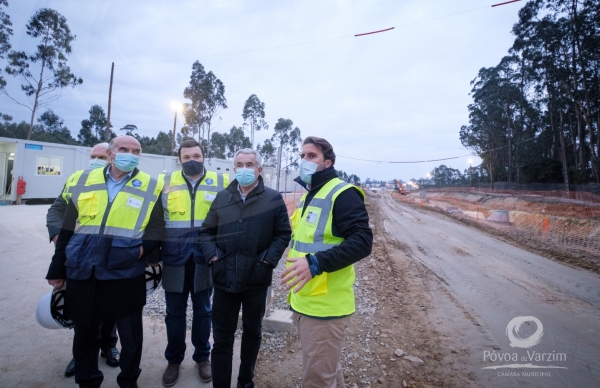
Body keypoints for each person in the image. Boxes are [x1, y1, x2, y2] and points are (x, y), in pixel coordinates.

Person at [46, 135, 165, 388]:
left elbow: (157, 230)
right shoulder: (84, 181)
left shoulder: (151, 186)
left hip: (125, 273)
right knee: (85, 335)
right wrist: (57, 269)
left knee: (131, 337)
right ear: (110, 154)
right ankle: (88, 381)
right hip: (83, 270)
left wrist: (139, 252)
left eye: (136, 151)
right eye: (124, 149)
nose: (130, 154)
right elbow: (67, 229)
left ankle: (128, 381)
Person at [279, 136, 373, 388]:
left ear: (327, 162)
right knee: (327, 371)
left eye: (312, 156)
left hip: (325, 307)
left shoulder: (342, 193)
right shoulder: (310, 195)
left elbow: (362, 242)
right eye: (302, 156)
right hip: (306, 301)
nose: (305, 161)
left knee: (318, 379)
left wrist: (315, 263)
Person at [199, 148, 291, 388]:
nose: (244, 169)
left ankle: (245, 381)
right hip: (224, 279)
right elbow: (207, 232)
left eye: (249, 164)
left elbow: (282, 234)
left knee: (252, 332)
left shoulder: (273, 199)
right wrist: (214, 258)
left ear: (259, 169)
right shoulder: (222, 198)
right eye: (239, 164)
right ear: (234, 168)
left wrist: (267, 262)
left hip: (256, 280)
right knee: (222, 339)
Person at [46, 142, 120, 378]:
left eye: (101, 156)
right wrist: (58, 235)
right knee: (83, 312)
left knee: (110, 308)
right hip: (80, 257)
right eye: (93, 155)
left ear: (111, 157)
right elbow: (57, 210)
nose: (96, 159)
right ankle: (81, 357)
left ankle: (108, 345)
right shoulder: (77, 179)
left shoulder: (121, 183)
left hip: (111, 256)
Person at [159, 140, 229, 386]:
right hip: (174, 258)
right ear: (179, 159)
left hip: (204, 258)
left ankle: (202, 357)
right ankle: (174, 360)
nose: (192, 159)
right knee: (174, 313)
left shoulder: (221, 183)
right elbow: (154, 219)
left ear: (204, 157)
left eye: (196, 155)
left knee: (203, 310)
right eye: (186, 155)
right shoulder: (164, 183)